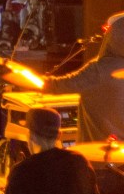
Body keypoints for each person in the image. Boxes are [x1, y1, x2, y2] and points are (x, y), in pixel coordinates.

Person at [44, 11, 124, 142]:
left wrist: (22, 78)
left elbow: (59, 86)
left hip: (98, 152)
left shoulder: (99, 70)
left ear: (112, 38)